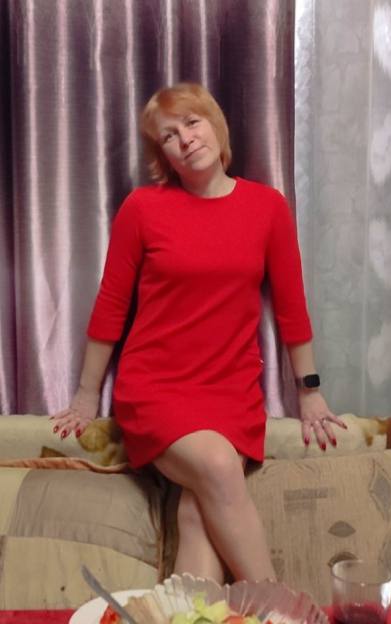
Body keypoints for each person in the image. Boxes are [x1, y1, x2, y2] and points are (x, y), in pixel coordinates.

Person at [51, 82, 347, 584]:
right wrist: (85, 395)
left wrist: (309, 392)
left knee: (196, 511)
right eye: (169, 135)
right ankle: (278, 606)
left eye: (192, 122)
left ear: (215, 125)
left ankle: (193, 616)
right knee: (218, 466)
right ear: (163, 155)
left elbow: (292, 308)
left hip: (231, 392)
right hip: (156, 389)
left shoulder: (268, 207)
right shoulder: (142, 208)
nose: (185, 139)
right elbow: (111, 306)